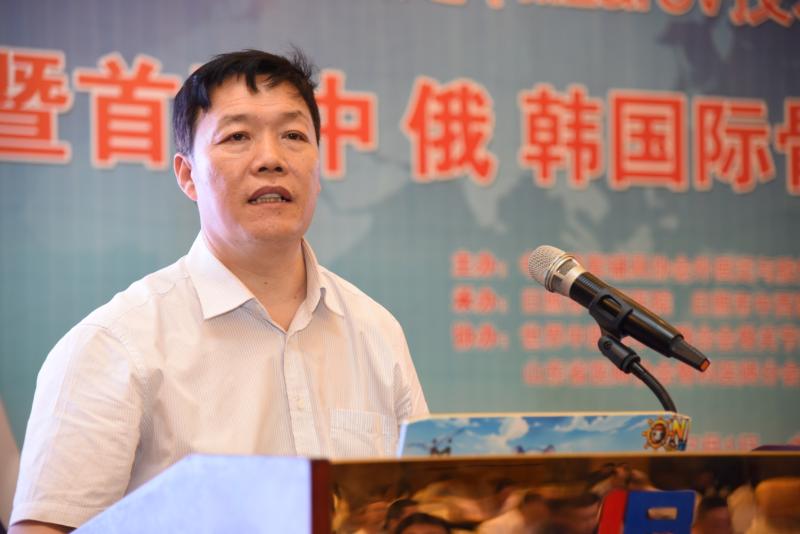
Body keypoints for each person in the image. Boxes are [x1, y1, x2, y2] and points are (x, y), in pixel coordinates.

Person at [9, 49, 428, 533]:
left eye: (294, 136)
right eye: (237, 137)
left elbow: (422, 509)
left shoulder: (376, 332)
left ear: (319, 165)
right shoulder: (114, 345)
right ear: (188, 175)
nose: (271, 159)